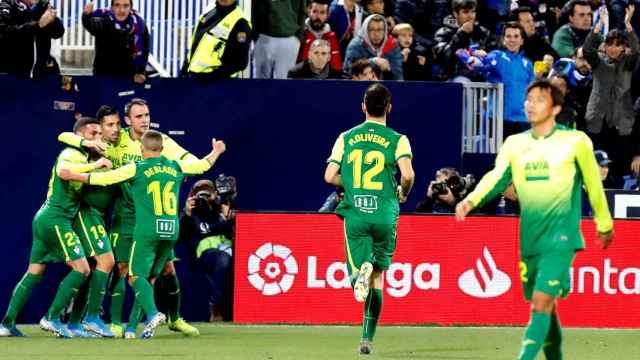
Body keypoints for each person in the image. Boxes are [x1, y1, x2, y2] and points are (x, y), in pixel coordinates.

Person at [455, 79, 614, 360]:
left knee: (540, 304)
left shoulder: (576, 142)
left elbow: (594, 183)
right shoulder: (515, 143)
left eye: (539, 99)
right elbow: (497, 176)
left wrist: (605, 224)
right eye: (529, 99)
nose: (531, 104)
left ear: (555, 108)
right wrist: (471, 200)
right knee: (545, 305)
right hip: (530, 238)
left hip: (561, 238)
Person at [59, 131, 226, 338]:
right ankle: (135, 328)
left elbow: (105, 179)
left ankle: (154, 313)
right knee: (152, 276)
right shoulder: (176, 165)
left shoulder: (136, 168)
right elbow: (203, 165)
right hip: (171, 231)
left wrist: (73, 175)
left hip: (148, 231)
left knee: (135, 275)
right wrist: (216, 151)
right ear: (163, 149)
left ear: (141, 149)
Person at [324, 83, 415, 355]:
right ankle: (366, 339)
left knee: (358, 276)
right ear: (389, 107)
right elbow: (408, 175)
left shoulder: (346, 137)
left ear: (363, 106)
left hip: (357, 214)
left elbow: (329, 176)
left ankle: (357, 276)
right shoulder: (398, 139)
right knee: (377, 279)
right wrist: (403, 192)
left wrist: (351, 184)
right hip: (386, 214)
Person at [0, 117, 112, 338]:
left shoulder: (83, 155)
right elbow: (63, 172)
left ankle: (6, 323)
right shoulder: (73, 153)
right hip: (56, 219)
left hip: (44, 218)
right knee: (82, 269)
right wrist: (95, 166)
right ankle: (50, 318)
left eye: (100, 133)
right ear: (80, 137)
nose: (98, 138)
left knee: (35, 272)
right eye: (93, 134)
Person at [583, 5, 639, 188]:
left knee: (617, 171)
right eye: (610, 44)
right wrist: (597, 27)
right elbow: (588, 50)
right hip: (597, 123)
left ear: (624, 47)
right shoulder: (598, 63)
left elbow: (637, 51)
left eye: (618, 44)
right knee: (595, 169)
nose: (614, 48)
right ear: (605, 45)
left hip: (621, 123)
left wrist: (628, 24)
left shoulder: (628, 64)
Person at [179, 178, 236, 322]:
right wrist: (186, 215)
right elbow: (177, 237)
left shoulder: (223, 208)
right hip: (207, 253)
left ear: (215, 194)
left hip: (231, 249)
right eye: (200, 194)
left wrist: (230, 217)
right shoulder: (191, 213)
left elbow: (240, 233)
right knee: (223, 259)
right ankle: (215, 306)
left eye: (208, 193)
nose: (204, 198)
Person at [481, 22, 535, 137]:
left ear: (522, 40)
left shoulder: (528, 64)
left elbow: (532, 92)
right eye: (508, 36)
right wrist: (479, 57)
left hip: (523, 119)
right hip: (498, 118)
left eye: (516, 36)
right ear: (503, 40)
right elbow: (482, 67)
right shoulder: (495, 56)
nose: (512, 40)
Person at [82, 0, 150, 83]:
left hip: (129, 76)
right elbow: (90, 24)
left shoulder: (139, 24)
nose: (121, 10)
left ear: (131, 7)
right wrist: (86, 15)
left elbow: (144, 48)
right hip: (104, 74)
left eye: (126, 6)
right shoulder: (104, 19)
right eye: (117, 5)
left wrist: (140, 71)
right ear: (112, 7)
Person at [182, 0, 251, 80]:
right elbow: (196, 42)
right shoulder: (209, 10)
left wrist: (213, 76)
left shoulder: (241, 23)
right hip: (194, 78)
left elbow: (241, 62)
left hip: (219, 85)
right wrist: (185, 68)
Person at [433, 0, 497, 82]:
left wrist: (486, 56)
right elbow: (445, 58)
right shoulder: (443, 33)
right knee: (461, 80)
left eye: (473, 12)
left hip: (481, 79)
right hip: (452, 79)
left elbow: (495, 58)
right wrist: (462, 34)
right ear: (455, 14)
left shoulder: (484, 33)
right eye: (466, 12)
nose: (471, 16)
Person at [0, 0, 64, 78]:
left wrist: (52, 20)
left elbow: (58, 33)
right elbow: (4, 32)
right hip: (14, 70)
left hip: (41, 70)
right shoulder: (8, 4)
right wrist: (37, 25)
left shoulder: (43, 5)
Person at [252, 0, 306, 79]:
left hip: (289, 38)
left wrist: (297, 38)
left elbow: (302, 11)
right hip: (262, 37)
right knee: (259, 82)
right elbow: (253, 8)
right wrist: (255, 37)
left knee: (284, 83)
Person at [343, 14, 403, 80]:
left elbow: (398, 75)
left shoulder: (393, 45)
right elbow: (349, 71)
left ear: (385, 31)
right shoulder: (355, 45)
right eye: (371, 30)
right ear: (365, 30)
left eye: (380, 30)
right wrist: (372, 62)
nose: (376, 34)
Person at [298, 0, 342, 71]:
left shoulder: (332, 38)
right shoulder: (300, 34)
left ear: (327, 15)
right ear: (309, 12)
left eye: (322, 12)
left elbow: (336, 67)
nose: (318, 16)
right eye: (315, 11)